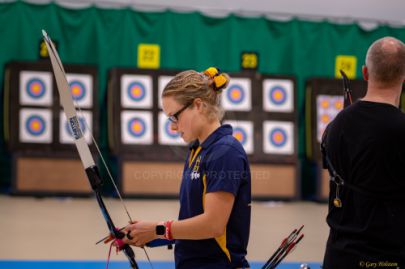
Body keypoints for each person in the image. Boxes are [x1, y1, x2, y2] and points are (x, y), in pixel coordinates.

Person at [122, 67, 251, 268]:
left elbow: (213, 225)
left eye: (175, 116)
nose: (173, 126)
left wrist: (157, 229)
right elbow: (192, 225)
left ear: (198, 105)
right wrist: (146, 235)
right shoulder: (197, 151)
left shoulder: (226, 152)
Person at [322, 37, 405, 268]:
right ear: (403, 76)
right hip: (391, 259)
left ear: (365, 72)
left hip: (340, 257)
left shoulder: (335, 126)